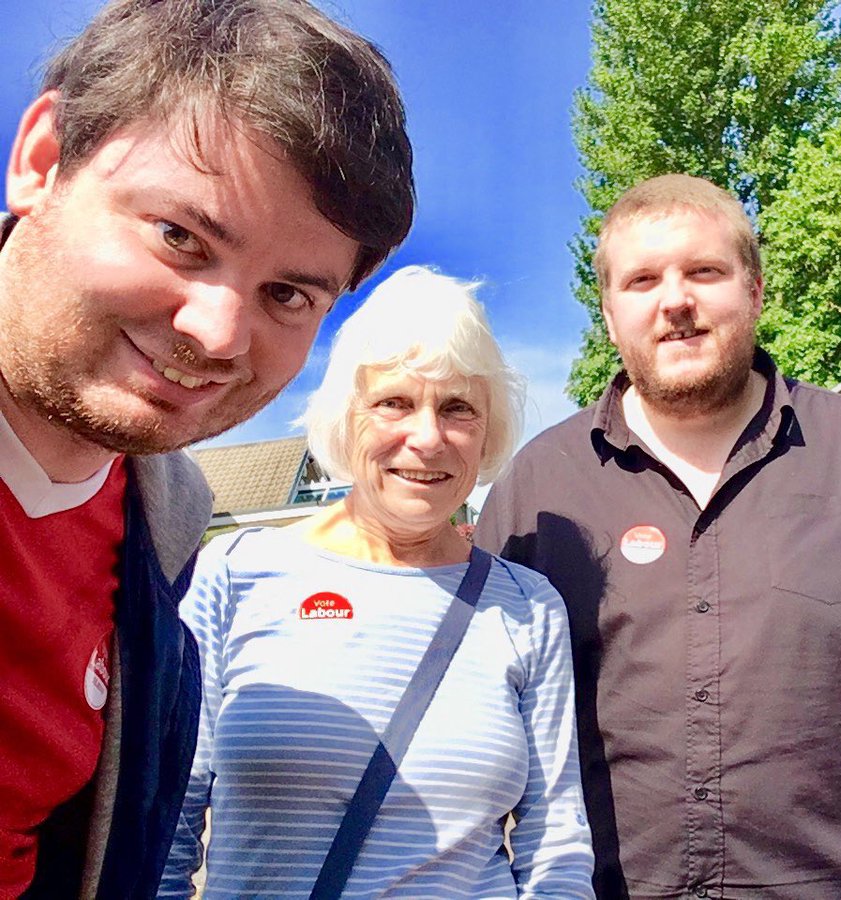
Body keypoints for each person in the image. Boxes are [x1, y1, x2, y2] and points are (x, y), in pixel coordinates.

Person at [474, 173, 841, 898]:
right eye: (642, 280)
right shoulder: (537, 492)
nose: (675, 301)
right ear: (610, 314)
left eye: (704, 272)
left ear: (754, 291)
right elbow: (477, 724)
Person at [0, 0, 415, 896]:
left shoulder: (163, 533)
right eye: (180, 236)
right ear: (41, 160)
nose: (219, 333)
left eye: (288, 295)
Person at [160, 266, 595, 898]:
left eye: (458, 409)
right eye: (395, 402)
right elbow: (166, 815)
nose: (428, 438)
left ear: (488, 431)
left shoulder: (527, 607)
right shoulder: (236, 572)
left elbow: (555, 833)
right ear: (347, 417)